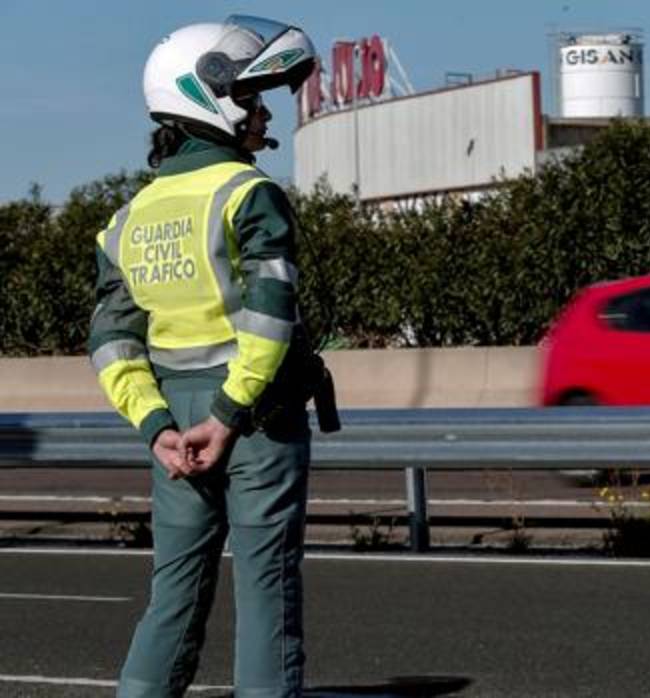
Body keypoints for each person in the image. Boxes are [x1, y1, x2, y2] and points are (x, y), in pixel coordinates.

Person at [87, 15, 320, 698]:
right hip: (253, 415)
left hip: (171, 419)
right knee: (265, 583)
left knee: (175, 587)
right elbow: (270, 313)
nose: (262, 110)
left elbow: (111, 339)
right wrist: (229, 411)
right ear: (209, 97)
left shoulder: (128, 218)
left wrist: (155, 426)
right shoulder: (249, 193)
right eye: (250, 97)